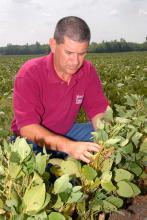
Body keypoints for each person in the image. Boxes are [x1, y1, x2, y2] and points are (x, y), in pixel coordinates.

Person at [11, 16, 109, 163]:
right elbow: (27, 127)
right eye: (69, 53)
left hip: (65, 131)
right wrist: (70, 147)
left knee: (108, 136)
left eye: (82, 54)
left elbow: (97, 110)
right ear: (53, 44)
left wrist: (105, 140)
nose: (75, 62)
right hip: (30, 140)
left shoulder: (87, 70)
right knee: (51, 180)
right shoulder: (30, 73)